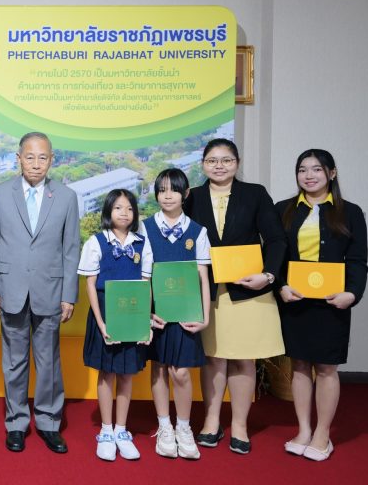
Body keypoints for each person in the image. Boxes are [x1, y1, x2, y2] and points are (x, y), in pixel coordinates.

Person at [184, 138, 287, 455]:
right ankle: (211, 420)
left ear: (237, 163)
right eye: (212, 160)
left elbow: (276, 239)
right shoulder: (192, 197)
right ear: (203, 164)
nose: (219, 166)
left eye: (226, 160)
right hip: (208, 291)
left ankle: (240, 425)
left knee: (244, 358)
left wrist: (268, 275)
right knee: (213, 357)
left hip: (248, 290)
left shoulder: (255, 194)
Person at [0, 132, 80, 454]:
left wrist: (69, 294)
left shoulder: (66, 197)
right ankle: (16, 423)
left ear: (52, 160)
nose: (36, 164)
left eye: (42, 158)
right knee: (14, 362)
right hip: (10, 290)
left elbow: (71, 250)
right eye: (30, 157)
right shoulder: (0, 194)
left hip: (51, 290)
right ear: (18, 158)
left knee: (48, 361)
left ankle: (49, 422)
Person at [276, 149, 367, 461]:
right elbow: (275, 256)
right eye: (302, 169)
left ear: (332, 173)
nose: (309, 175)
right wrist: (280, 285)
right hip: (296, 301)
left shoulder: (350, 212)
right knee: (300, 365)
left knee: (327, 368)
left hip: (332, 303)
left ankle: (322, 434)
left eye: (316, 169)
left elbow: (357, 260)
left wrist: (351, 293)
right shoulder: (283, 210)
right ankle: (303, 429)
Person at [78, 189, 153, 461]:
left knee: (127, 374)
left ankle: (122, 430)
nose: (125, 213)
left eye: (130, 208)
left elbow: (146, 284)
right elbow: (90, 285)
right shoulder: (96, 242)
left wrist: (145, 322)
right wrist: (101, 323)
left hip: (132, 314)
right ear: (108, 211)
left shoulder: (142, 244)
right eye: (119, 207)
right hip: (106, 315)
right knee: (107, 373)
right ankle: (106, 431)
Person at [143, 169, 211, 460]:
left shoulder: (198, 231)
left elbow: (203, 277)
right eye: (162, 190)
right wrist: (145, 314)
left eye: (173, 190)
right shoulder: (144, 228)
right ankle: (164, 427)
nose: (167, 196)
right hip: (157, 314)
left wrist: (205, 317)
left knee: (180, 372)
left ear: (186, 194)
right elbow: (143, 277)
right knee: (159, 367)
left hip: (186, 314)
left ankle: (184, 427)